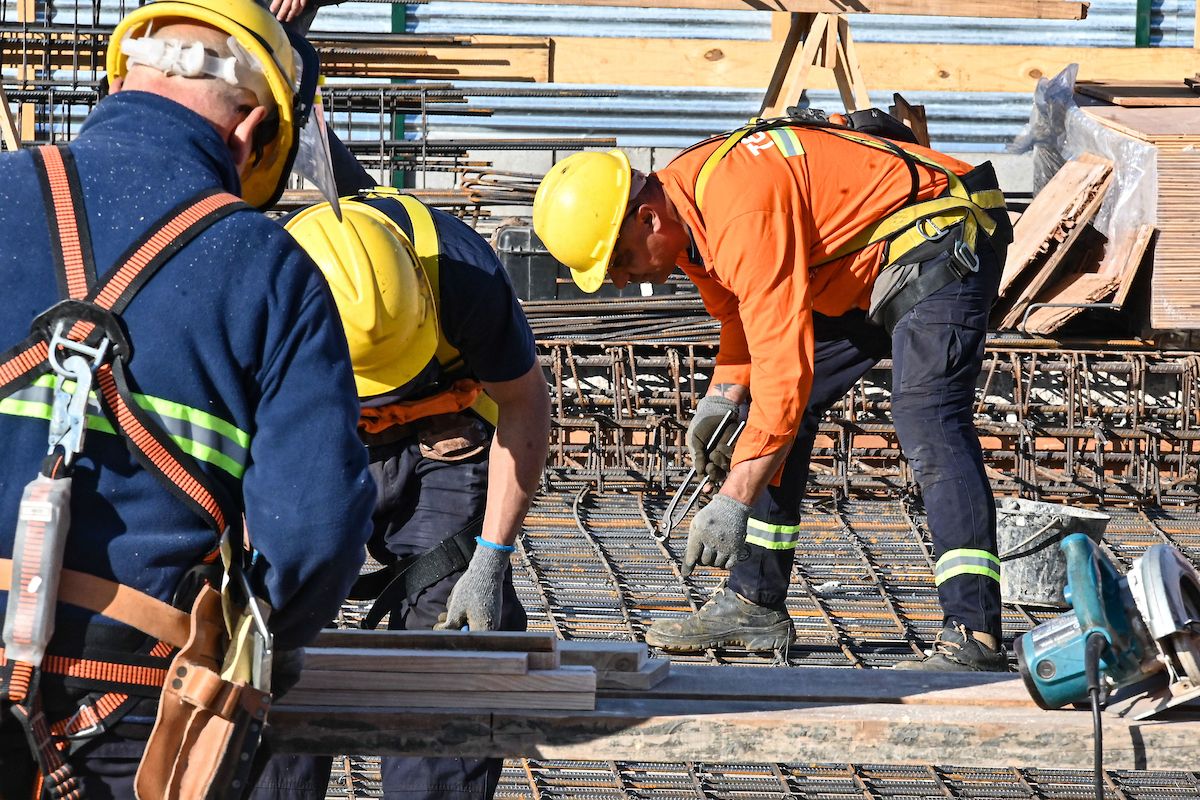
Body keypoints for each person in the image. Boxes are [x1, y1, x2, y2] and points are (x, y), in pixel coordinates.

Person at [0, 0, 375, 794]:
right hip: (120, 714)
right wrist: (267, 643)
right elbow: (312, 533)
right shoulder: (269, 268)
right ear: (251, 132)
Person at [533, 112, 1013, 671]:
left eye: (620, 260)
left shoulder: (740, 212)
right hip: (868, 258)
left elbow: (784, 371)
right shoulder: (684, 207)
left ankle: (974, 635)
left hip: (943, 233)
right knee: (781, 415)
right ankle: (754, 602)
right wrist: (723, 397)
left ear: (648, 219)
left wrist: (734, 497)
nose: (619, 280)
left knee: (928, 418)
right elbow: (741, 320)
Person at [252, 187, 550, 800]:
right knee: (271, 632)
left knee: (453, 637)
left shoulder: (464, 275)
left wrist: (490, 559)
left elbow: (524, 404)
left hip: (445, 436)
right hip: (313, 434)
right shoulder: (258, 280)